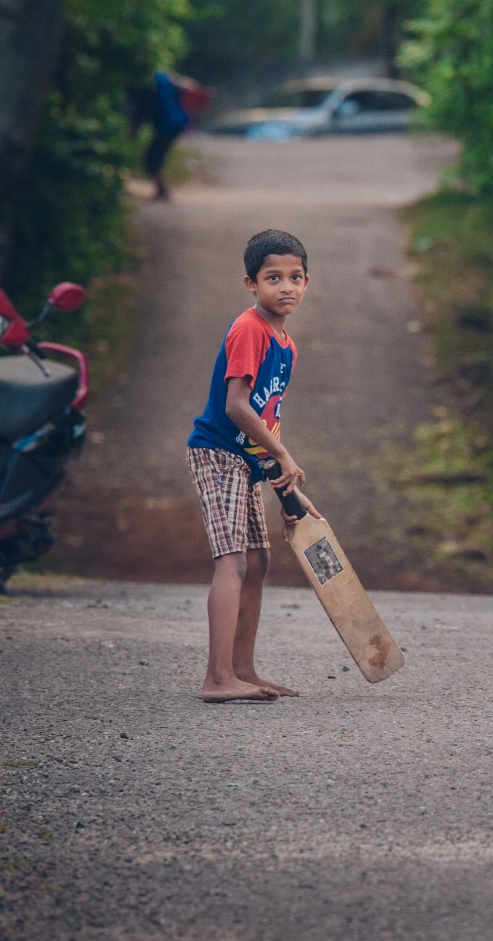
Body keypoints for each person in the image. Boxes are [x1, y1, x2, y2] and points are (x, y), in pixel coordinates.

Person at [185, 228, 321, 703]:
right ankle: (217, 678)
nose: (286, 287)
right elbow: (236, 407)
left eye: (296, 277)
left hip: (245, 459)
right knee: (233, 562)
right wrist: (284, 456)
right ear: (251, 283)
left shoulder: (286, 345)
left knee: (259, 561)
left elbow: (264, 423)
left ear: (307, 281)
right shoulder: (249, 329)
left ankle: (244, 670)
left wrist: (289, 492)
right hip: (217, 454)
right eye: (273, 278)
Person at [141, 69, 211, 201]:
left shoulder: (153, 81)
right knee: (157, 154)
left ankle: (162, 192)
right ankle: (162, 191)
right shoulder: (168, 78)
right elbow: (191, 85)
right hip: (179, 122)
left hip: (167, 124)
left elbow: (145, 107)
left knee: (153, 156)